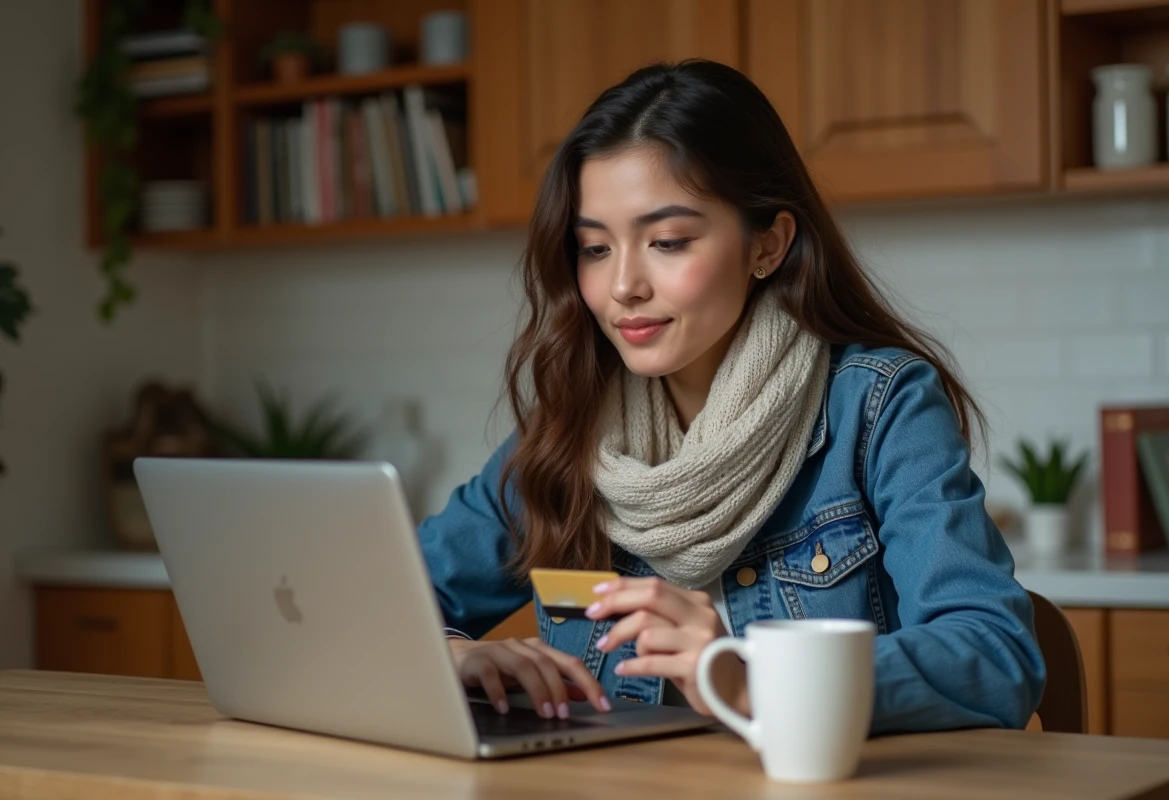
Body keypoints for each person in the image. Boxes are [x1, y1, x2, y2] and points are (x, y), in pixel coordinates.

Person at [417, 59, 1045, 734]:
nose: (623, 284)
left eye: (667, 241)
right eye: (594, 248)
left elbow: (996, 653)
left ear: (767, 246)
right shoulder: (572, 429)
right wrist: (448, 654)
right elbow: (376, 598)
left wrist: (755, 675)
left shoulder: (877, 406)